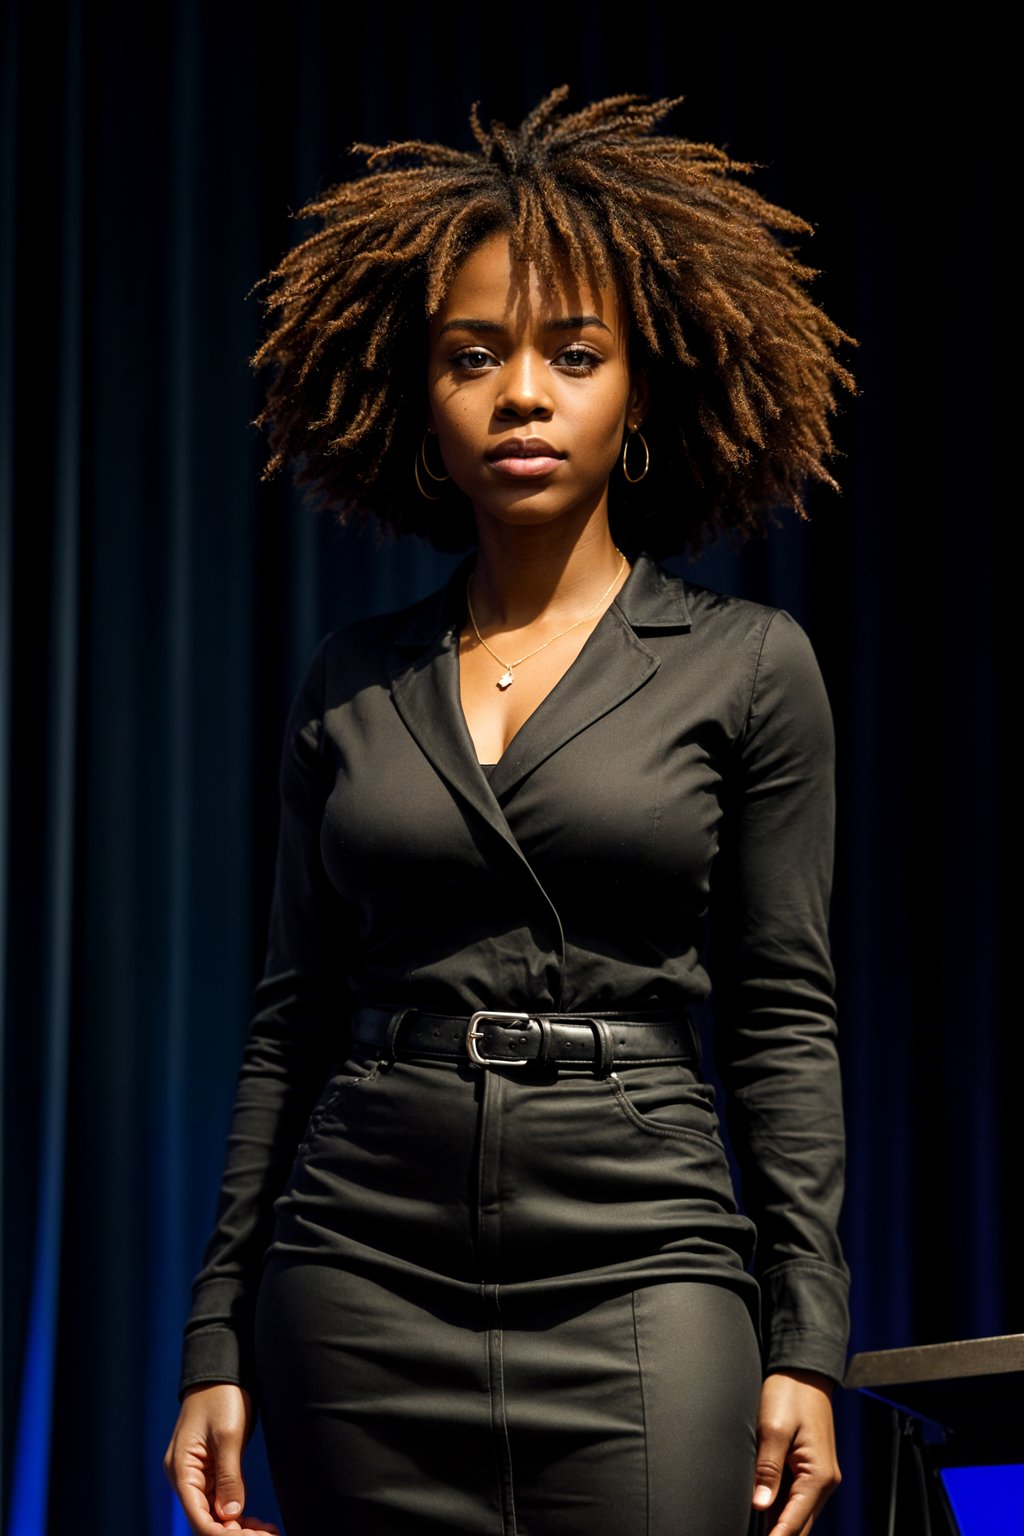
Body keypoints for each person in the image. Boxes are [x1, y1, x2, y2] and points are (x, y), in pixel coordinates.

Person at [164, 87, 853, 1536]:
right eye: (474, 357)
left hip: (643, 1265)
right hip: (355, 1281)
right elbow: (288, 1018)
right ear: (421, 393)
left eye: (574, 354)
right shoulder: (352, 678)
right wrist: (216, 1339)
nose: (522, 393)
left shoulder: (748, 664)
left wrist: (806, 1340)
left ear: (640, 390)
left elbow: (784, 1017)